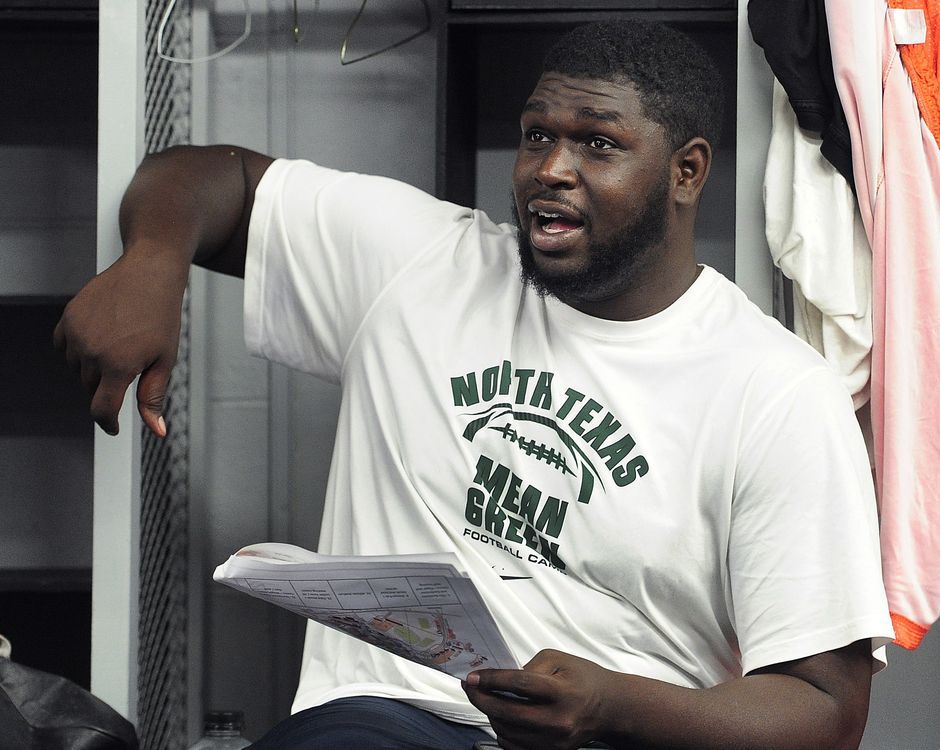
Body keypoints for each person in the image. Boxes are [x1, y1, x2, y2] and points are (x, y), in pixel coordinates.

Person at [55, 20, 894, 750]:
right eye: (536, 136)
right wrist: (153, 262)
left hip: (626, 733)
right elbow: (208, 177)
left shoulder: (777, 392)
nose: (550, 169)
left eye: (598, 144)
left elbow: (824, 711)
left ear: (686, 171)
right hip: (386, 717)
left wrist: (609, 705)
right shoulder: (424, 264)